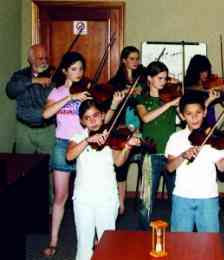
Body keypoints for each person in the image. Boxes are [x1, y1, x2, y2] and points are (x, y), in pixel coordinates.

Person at [67, 100, 140, 260]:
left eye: (95, 116)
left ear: (102, 116)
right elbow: (69, 155)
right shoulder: (78, 137)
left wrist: (127, 147)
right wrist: (87, 140)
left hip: (107, 198)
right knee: (84, 246)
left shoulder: (111, 138)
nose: (93, 121)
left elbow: (119, 161)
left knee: (107, 245)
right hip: (83, 199)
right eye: (87, 118)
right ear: (82, 121)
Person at [165, 94, 224, 232]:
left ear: (205, 112)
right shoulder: (175, 138)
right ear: (183, 116)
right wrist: (183, 155)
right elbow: (170, 168)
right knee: (180, 243)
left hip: (208, 197)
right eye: (189, 114)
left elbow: (223, 167)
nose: (194, 117)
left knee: (208, 243)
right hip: (182, 196)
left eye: (198, 113)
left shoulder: (215, 138)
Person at [40, 52, 91, 256]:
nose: (78, 73)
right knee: (60, 196)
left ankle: (94, 238)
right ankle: (53, 240)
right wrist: (70, 96)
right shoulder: (57, 92)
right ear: (65, 71)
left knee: (87, 195)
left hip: (83, 145)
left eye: (81, 69)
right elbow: (45, 114)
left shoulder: (88, 91)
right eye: (74, 69)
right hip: (62, 145)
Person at [135, 61, 179, 230]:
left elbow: (185, 118)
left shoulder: (171, 96)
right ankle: (143, 235)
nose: (163, 81)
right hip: (150, 155)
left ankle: (178, 233)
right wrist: (168, 104)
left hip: (171, 155)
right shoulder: (142, 99)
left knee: (176, 197)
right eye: (160, 78)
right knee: (146, 200)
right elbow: (145, 118)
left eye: (165, 78)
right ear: (149, 79)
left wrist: (178, 101)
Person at [108, 46, 146, 215]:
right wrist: (127, 91)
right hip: (122, 128)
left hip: (140, 127)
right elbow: (110, 98)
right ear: (124, 60)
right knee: (120, 167)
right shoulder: (116, 81)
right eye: (132, 58)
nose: (135, 62)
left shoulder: (143, 79)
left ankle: (144, 202)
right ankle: (120, 203)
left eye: (137, 58)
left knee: (146, 164)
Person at [6, 44, 55, 155]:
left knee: (47, 166)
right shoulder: (20, 75)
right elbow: (10, 91)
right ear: (30, 60)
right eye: (40, 58)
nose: (44, 61)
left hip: (47, 129)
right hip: (24, 130)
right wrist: (33, 80)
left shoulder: (53, 75)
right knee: (22, 166)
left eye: (46, 58)